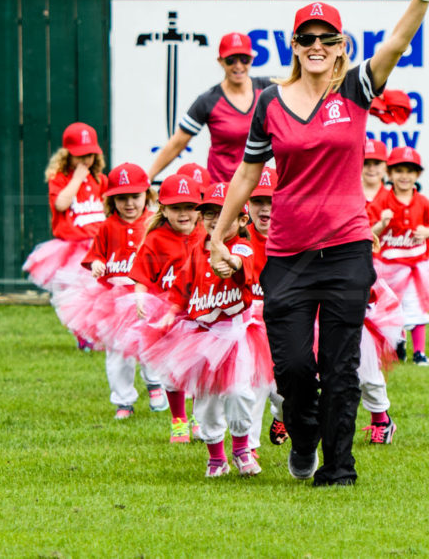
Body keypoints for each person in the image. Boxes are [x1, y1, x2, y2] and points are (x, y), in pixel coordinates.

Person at [209, 0, 429, 486]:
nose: (316, 44)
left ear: (339, 45)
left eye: (326, 37)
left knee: (341, 366)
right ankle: (304, 435)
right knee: (294, 367)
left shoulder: (356, 92)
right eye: (306, 37)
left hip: (346, 250)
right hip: (288, 253)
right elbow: (248, 173)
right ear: (295, 45)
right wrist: (219, 236)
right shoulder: (269, 102)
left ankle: (339, 468)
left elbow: (393, 43)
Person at [141, 182, 274, 477]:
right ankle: (216, 456)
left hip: (237, 335)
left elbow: (244, 263)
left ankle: (241, 448)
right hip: (203, 337)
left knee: (241, 394)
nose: (216, 219)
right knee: (207, 402)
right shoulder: (197, 252)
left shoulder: (241, 245)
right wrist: (170, 315)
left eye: (224, 212)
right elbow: (181, 290)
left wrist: (230, 261)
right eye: (210, 213)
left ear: (241, 220)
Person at [50, 163, 168, 419]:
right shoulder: (106, 227)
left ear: (146, 195)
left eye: (135, 196)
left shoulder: (154, 223)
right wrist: (97, 264)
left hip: (148, 295)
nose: (129, 203)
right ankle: (123, 400)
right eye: (121, 197)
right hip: (115, 299)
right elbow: (95, 256)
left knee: (150, 343)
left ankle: (156, 385)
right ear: (111, 199)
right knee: (117, 351)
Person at [94, 173, 204, 442]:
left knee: (202, 370)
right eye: (175, 208)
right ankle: (179, 420)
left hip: (201, 311)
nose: (183, 214)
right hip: (168, 316)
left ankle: (200, 419)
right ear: (163, 209)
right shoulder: (155, 238)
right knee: (172, 372)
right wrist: (141, 298)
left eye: (189, 207)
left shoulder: (206, 235)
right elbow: (141, 276)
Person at [368, 146, 429, 366]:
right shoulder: (381, 202)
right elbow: (369, 232)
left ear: (417, 175)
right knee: (390, 307)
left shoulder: (423, 202)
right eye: (399, 170)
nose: (404, 176)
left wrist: (428, 232)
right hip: (387, 265)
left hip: (415, 265)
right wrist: (382, 223)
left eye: (410, 171)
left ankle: (419, 351)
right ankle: (397, 346)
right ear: (389, 174)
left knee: (416, 307)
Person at [22, 122, 108, 349]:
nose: (85, 161)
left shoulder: (99, 179)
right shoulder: (59, 178)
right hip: (72, 248)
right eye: (80, 156)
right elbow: (61, 203)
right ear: (67, 155)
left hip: (97, 246)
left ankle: (98, 332)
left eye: (89, 155)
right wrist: (77, 178)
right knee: (75, 294)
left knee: (98, 291)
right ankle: (83, 334)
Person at [148, 33, 275, 182]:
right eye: (231, 60)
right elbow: (177, 143)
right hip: (220, 191)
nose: (238, 66)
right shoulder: (208, 101)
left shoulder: (269, 89)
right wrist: (148, 178)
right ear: (220, 61)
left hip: (256, 190)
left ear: (252, 59)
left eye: (244, 59)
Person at [241, 167, 290, 450]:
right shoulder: (240, 237)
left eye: (272, 200)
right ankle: (249, 448)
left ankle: (281, 418)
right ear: (247, 202)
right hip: (251, 324)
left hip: (286, 322)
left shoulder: (295, 238)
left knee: (287, 394)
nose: (265, 208)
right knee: (255, 386)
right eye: (258, 200)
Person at [362, 138, 390, 204]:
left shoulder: (394, 197)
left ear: (386, 166)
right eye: (365, 163)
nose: (371, 168)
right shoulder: (349, 195)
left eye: (377, 163)